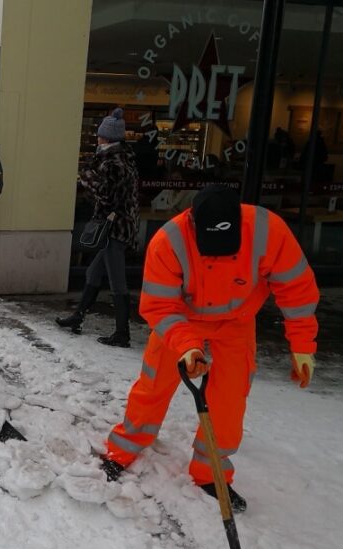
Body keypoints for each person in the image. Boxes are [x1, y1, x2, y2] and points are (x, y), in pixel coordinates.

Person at [101, 185, 319, 512]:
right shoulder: (169, 241)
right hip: (181, 320)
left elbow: (297, 290)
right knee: (154, 386)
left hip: (236, 322)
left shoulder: (268, 231)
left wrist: (302, 345)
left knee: (229, 400)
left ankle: (210, 473)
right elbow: (159, 305)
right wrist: (187, 346)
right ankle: (124, 449)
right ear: (192, 223)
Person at [57, 107, 140, 347]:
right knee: (94, 273)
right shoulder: (121, 157)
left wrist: (87, 178)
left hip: (115, 227)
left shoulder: (115, 162)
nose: (97, 138)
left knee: (117, 280)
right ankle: (78, 317)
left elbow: (107, 196)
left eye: (100, 135)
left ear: (106, 137)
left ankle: (122, 333)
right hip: (118, 225)